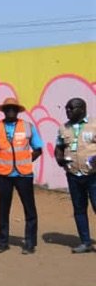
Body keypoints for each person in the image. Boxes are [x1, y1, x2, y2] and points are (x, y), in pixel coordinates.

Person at [0, 98, 42, 254]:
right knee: (3, 208)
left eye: (13, 108)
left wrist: (24, 161)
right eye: (8, 108)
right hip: (3, 174)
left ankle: (30, 242)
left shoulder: (28, 126)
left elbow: (38, 148)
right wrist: (2, 161)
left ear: (18, 111)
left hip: (23, 174)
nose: (10, 111)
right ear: (3, 110)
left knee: (29, 208)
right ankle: (3, 242)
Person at [55, 98, 96, 253]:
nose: (68, 111)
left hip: (93, 175)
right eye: (66, 108)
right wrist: (60, 160)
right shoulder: (63, 128)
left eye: (71, 108)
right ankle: (85, 242)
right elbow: (59, 146)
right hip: (73, 175)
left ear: (82, 109)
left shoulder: (93, 125)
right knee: (79, 209)